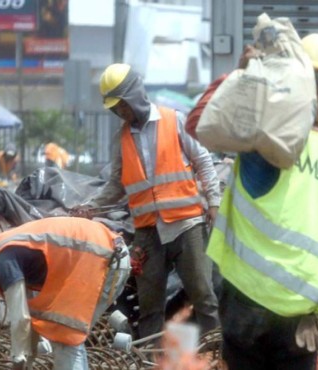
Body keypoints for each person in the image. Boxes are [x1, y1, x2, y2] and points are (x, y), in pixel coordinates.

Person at [186, 33, 318, 369]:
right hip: (303, 312)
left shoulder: (267, 143)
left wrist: (241, 75)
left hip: (246, 306)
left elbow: (197, 122)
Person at [76, 63, 221, 340]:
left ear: (134, 95)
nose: (121, 112)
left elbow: (203, 160)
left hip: (186, 225)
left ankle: (216, 355)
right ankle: (149, 361)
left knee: (204, 296)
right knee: (149, 307)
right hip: (147, 233)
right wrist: (91, 207)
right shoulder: (123, 138)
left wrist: (213, 202)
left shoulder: (174, 120)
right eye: (115, 108)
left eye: (122, 105)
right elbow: (116, 184)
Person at [0, 217, 130, 369]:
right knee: (65, 337)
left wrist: (18, 361)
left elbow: (20, 318)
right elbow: (32, 317)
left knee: (65, 336)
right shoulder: (7, 250)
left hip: (104, 260)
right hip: (105, 257)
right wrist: (27, 359)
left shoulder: (2, 260)